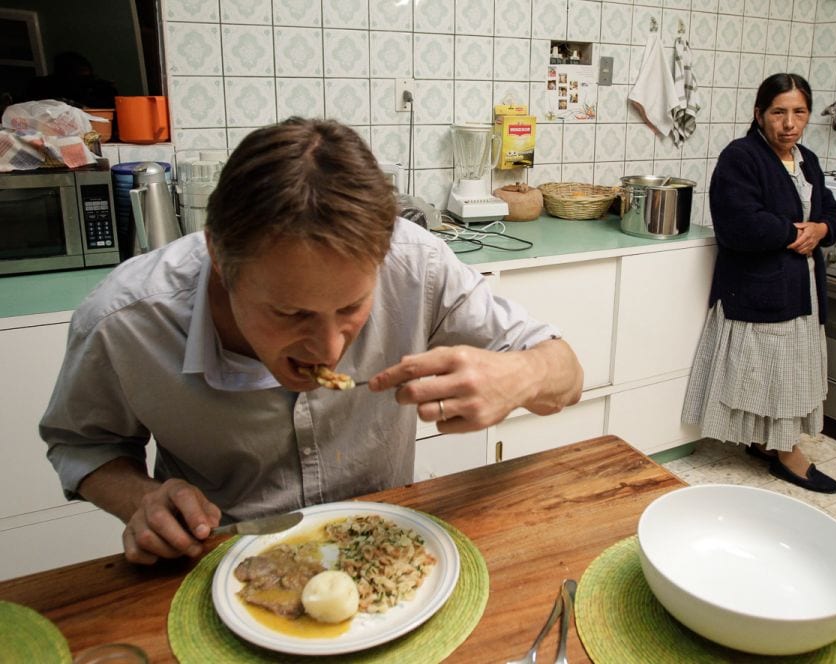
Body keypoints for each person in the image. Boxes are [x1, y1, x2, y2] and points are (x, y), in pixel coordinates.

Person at [39, 117, 583, 564]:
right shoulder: (126, 319)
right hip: (223, 563)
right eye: (290, 312)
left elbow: (566, 373)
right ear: (220, 263)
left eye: (351, 308)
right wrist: (144, 500)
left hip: (384, 551)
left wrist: (518, 377)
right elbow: (83, 443)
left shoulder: (416, 264)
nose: (328, 349)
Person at [681, 73, 836, 494]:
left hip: (802, 289)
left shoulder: (808, 159)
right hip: (760, 290)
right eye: (779, 112)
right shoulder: (741, 157)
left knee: (790, 373)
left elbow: (832, 210)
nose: (789, 123)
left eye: (799, 112)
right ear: (759, 114)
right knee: (772, 374)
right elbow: (738, 224)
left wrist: (822, 229)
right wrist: (795, 234)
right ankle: (789, 456)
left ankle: (768, 444)